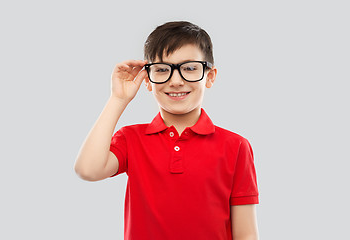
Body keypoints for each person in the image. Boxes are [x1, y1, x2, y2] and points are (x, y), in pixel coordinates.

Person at [74, 21, 259, 240]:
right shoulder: (131, 138)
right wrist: (118, 99)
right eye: (162, 70)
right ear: (148, 80)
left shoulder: (236, 146)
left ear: (209, 76)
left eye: (190, 68)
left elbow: (246, 234)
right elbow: (88, 170)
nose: (176, 81)